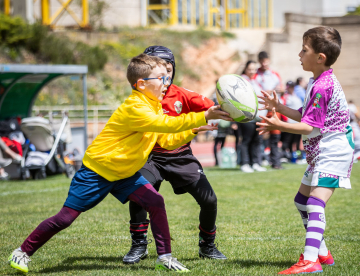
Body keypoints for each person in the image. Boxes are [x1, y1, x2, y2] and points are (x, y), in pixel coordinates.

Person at [8, 53, 231, 274]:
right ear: (142, 84)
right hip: (98, 172)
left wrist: (192, 130)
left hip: (125, 174)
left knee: (156, 202)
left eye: (167, 77)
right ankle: (22, 252)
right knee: (65, 218)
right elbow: (163, 124)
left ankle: (164, 258)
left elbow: (166, 139)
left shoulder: (152, 104)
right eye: (161, 78)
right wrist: (203, 116)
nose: (166, 82)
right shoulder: (136, 106)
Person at [257, 26, 354, 274]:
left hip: (333, 150)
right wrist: (278, 107)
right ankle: (322, 253)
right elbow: (304, 115)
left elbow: (309, 126)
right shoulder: (317, 81)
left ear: (320, 57)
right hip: (322, 150)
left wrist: (279, 124)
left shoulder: (323, 86)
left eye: (304, 49)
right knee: (301, 200)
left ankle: (311, 260)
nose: (300, 54)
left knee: (314, 201)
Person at [124, 46, 227, 266]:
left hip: (180, 155)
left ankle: (207, 245)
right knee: (139, 195)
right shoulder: (140, 100)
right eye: (160, 71)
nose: (166, 76)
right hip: (150, 157)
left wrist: (237, 109)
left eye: (169, 69)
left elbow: (214, 108)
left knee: (209, 200)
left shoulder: (183, 94)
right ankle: (139, 245)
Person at [239, 60, 267, 173]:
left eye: (254, 69)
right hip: (246, 116)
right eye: (250, 69)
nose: (252, 71)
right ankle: (245, 163)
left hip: (258, 117)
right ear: (245, 69)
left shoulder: (255, 81)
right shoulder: (241, 80)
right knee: (246, 140)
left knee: (257, 140)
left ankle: (255, 163)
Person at [282, 81, 303, 163]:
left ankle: (298, 156)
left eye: (292, 87)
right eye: (289, 87)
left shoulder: (297, 95)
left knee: (297, 141)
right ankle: (287, 155)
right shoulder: (286, 96)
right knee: (288, 141)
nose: (291, 88)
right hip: (290, 122)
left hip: (297, 122)